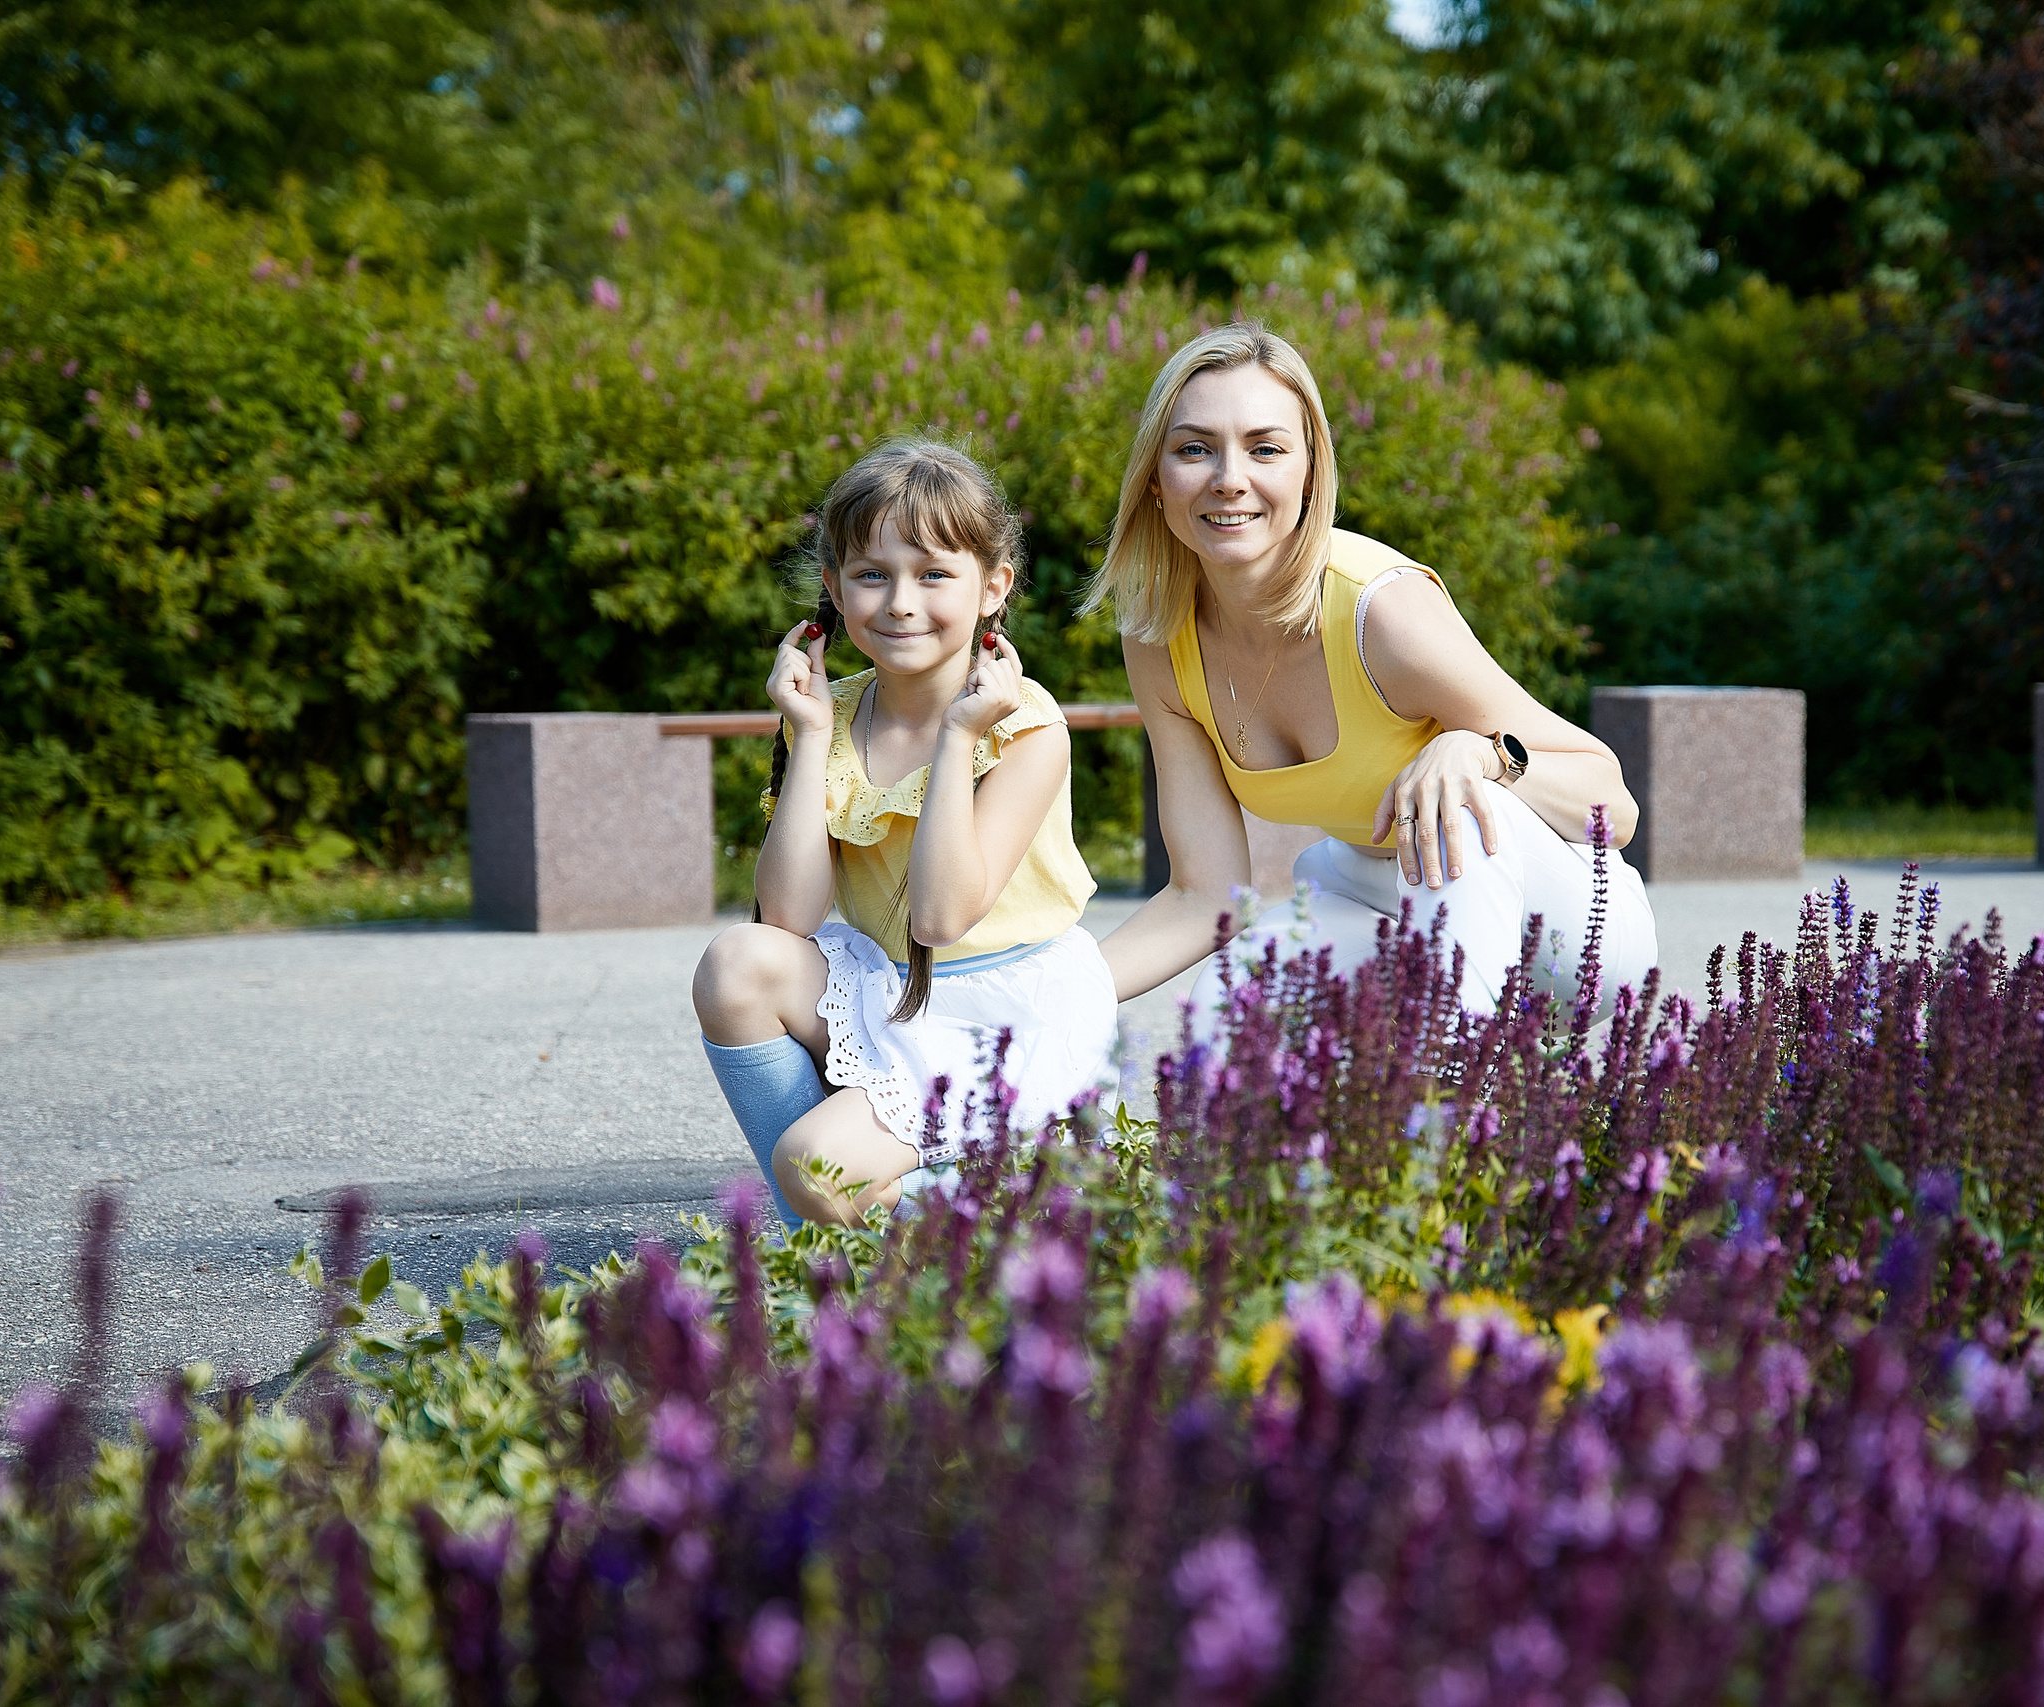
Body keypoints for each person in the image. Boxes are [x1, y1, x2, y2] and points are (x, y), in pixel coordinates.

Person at [1088, 322, 1659, 1015]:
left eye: (1265, 448)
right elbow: (1202, 895)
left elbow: (1614, 805)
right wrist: (1046, 995)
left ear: (1309, 473)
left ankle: (1445, 1112)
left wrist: (1480, 756)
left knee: (1456, 815)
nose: (1229, 478)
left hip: (1578, 933)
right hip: (1383, 901)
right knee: (1229, 1003)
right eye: (1194, 449)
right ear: (1155, 479)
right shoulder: (1158, 636)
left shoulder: (1381, 613)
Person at [691, 439, 1115, 1232]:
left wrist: (958, 738)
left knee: (809, 1165)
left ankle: (955, 1224)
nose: (900, 602)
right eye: (873, 574)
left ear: (993, 587)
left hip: (1006, 1014)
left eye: (933, 574)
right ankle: (834, 1232)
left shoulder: (1025, 727)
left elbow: (940, 917)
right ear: (834, 586)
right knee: (735, 964)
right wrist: (810, 735)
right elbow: (788, 918)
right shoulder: (837, 709)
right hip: (895, 993)